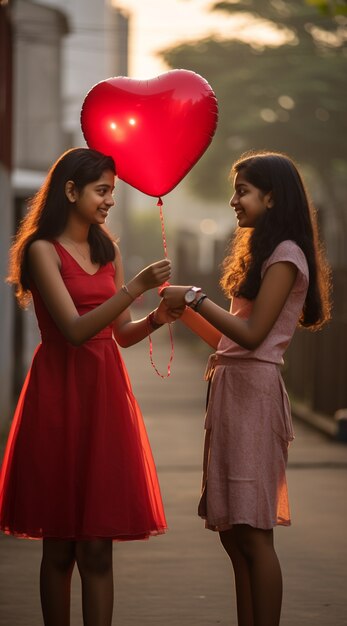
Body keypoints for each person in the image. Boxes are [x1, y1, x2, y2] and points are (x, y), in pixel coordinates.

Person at [0, 147, 180, 626]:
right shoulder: (42, 250)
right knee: (59, 548)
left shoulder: (108, 250)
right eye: (102, 191)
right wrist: (135, 288)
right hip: (58, 399)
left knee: (98, 550)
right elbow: (75, 331)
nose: (109, 202)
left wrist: (157, 318)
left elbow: (118, 335)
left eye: (112, 193)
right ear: (71, 190)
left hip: (104, 399)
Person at [161, 150, 331, 626]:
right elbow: (227, 339)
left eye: (243, 190)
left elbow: (253, 336)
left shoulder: (286, 255)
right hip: (233, 389)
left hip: (254, 395)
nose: (234, 200)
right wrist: (181, 310)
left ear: (271, 196)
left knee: (254, 532)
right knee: (233, 534)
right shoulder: (262, 253)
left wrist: (196, 297)